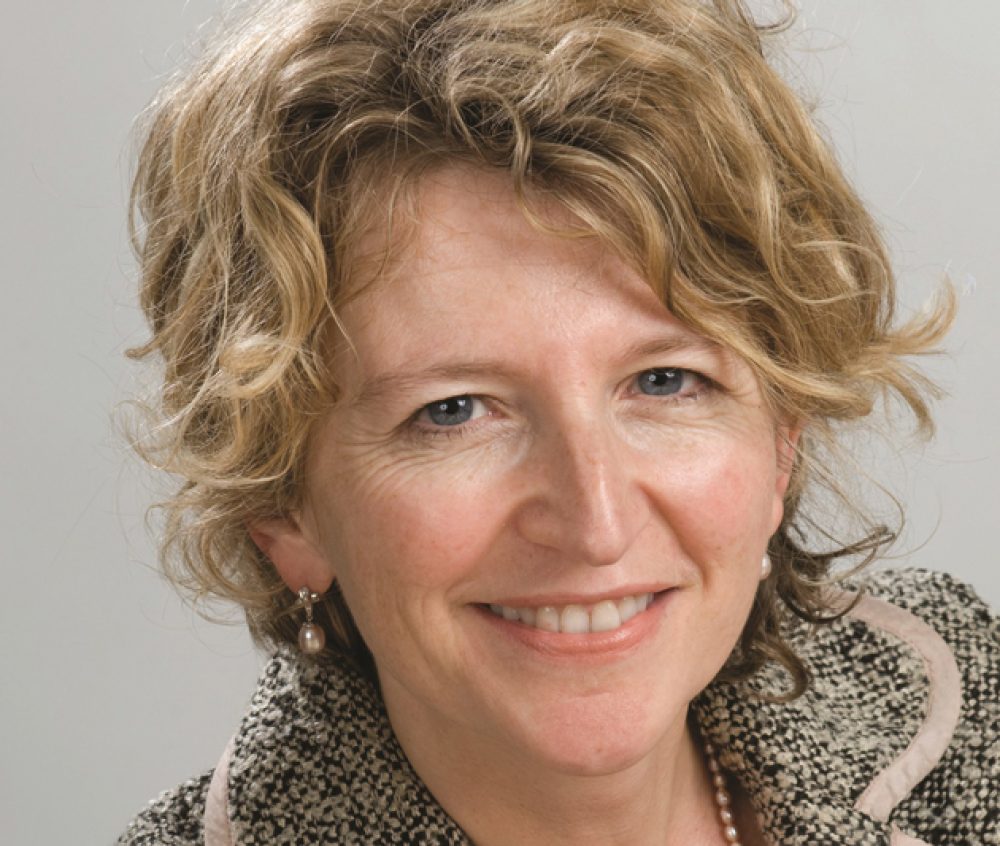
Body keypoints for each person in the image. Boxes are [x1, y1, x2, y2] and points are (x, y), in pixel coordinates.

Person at [118, 0, 997, 843]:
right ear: (281, 507)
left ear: (782, 438)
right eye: (453, 412)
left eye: (665, 381)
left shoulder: (972, 707)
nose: (595, 524)